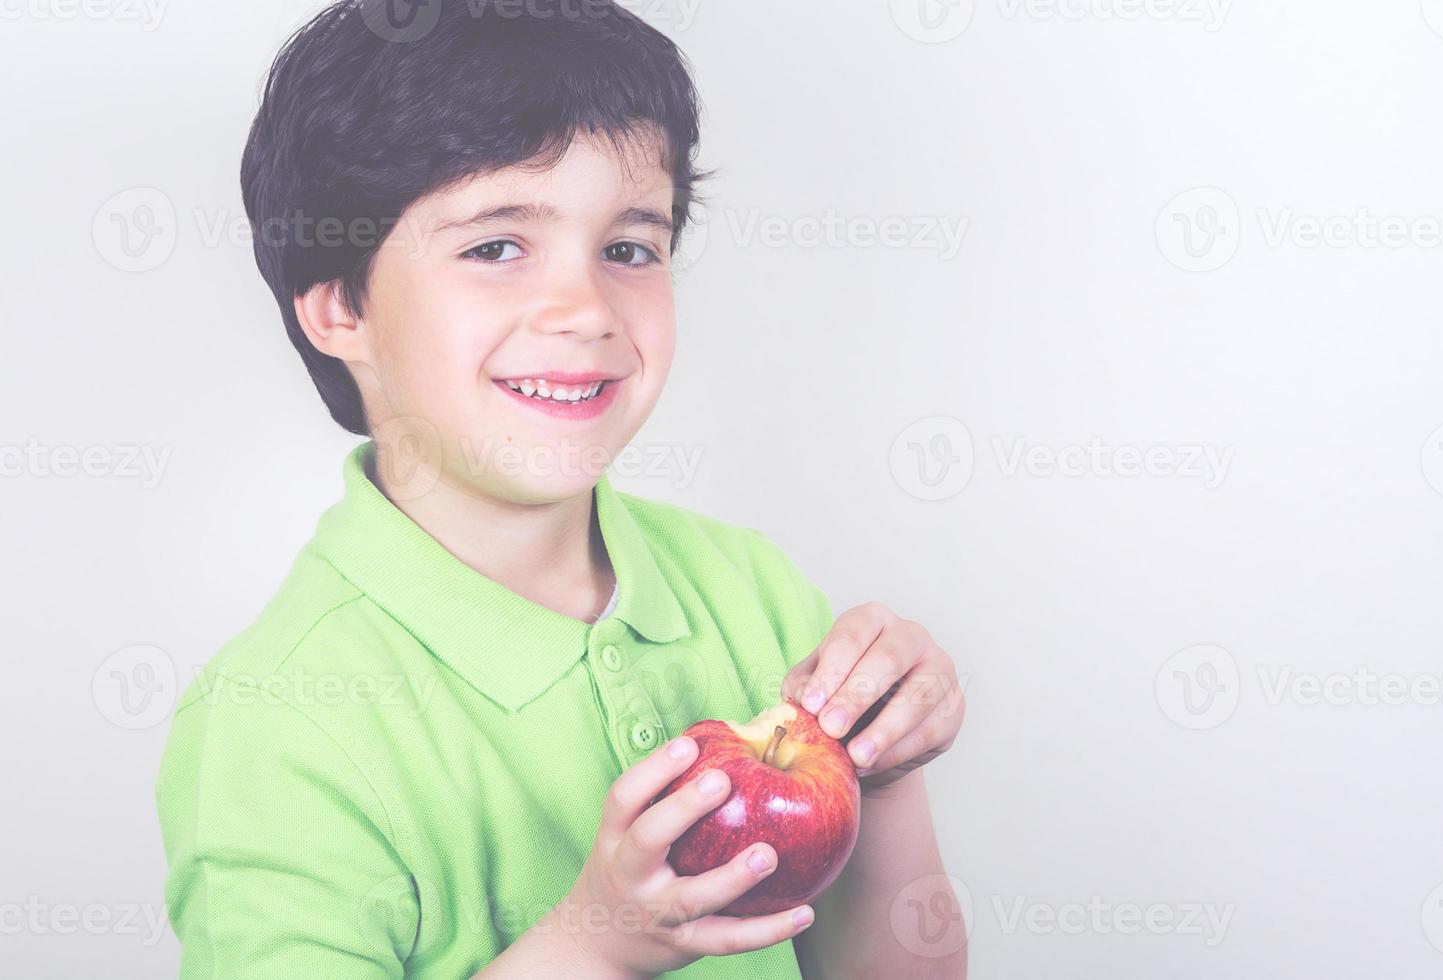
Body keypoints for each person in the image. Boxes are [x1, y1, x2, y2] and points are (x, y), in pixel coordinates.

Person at [155, 1, 966, 976]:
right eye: (496, 245)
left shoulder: (752, 591)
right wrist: (594, 944)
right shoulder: (276, 721)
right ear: (341, 305)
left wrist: (885, 773)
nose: (584, 309)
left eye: (629, 247)